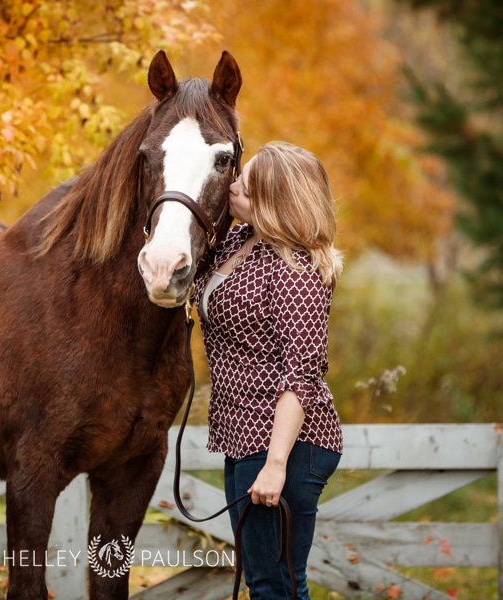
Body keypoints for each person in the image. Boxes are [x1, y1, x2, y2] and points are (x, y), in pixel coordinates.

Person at [193, 141, 343, 599]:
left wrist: (276, 465)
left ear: (274, 201)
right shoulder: (241, 240)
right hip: (243, 434)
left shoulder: (297, 272)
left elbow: (302, 376)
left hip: (284, 442)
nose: (233, 185)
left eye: (246, 184)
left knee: (273, 586)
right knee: (270, 582)